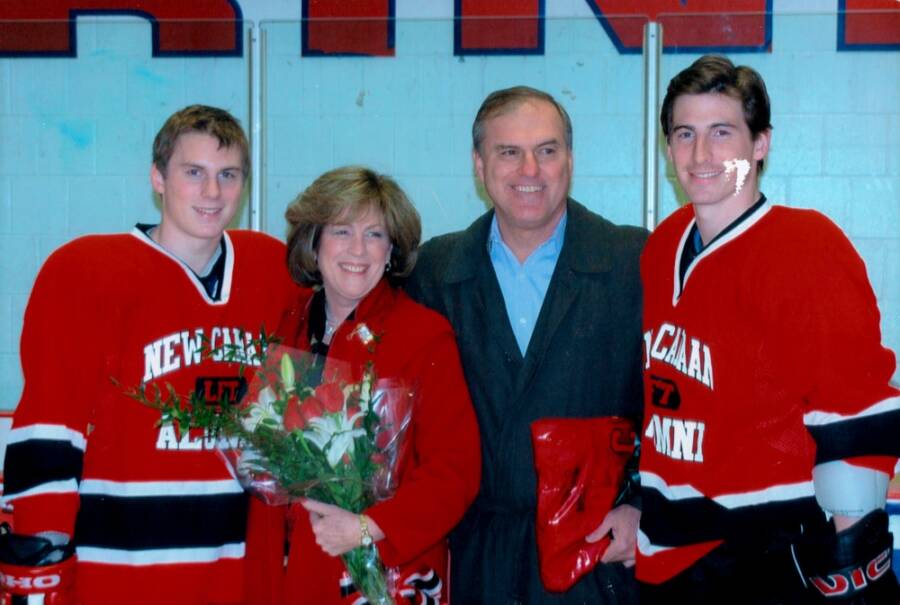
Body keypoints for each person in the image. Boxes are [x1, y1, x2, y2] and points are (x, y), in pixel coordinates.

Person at [0, 105, 298, 605]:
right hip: (118, 573)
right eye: (193, 173)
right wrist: (40, 553)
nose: (212, 192)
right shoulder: (84, 272)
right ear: (158, 178)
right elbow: (51, 424)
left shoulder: (274, 271)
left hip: (238, 570)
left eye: (228, 175)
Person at [637, 54, 900, 604]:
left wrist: (850, 550)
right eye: (685, 133)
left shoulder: (806, 246)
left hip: (765, 555)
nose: (701, 154)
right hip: (669, 557)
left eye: (722, 132)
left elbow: (852, 406)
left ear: (760, 144)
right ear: (668, 149)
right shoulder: (662, 247)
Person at [405, 86, 647, 603]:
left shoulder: (634, 263)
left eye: (547, 150)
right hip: (472, 561)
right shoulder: (431, 274)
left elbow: (680, 405)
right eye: (508, 152)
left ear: (570, 160)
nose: (530, 170)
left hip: (596, 561)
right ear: (479, 164)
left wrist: (645, 506)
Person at [262, 166, 481, 604]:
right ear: (314, 241)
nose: (358, 250)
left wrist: (367, 529)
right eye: (342, 231)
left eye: (375, 235)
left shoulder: (424, 335)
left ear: (392, 250)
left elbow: (455, 472)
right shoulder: (287, 323)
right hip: (294, 570)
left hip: (387, 569)